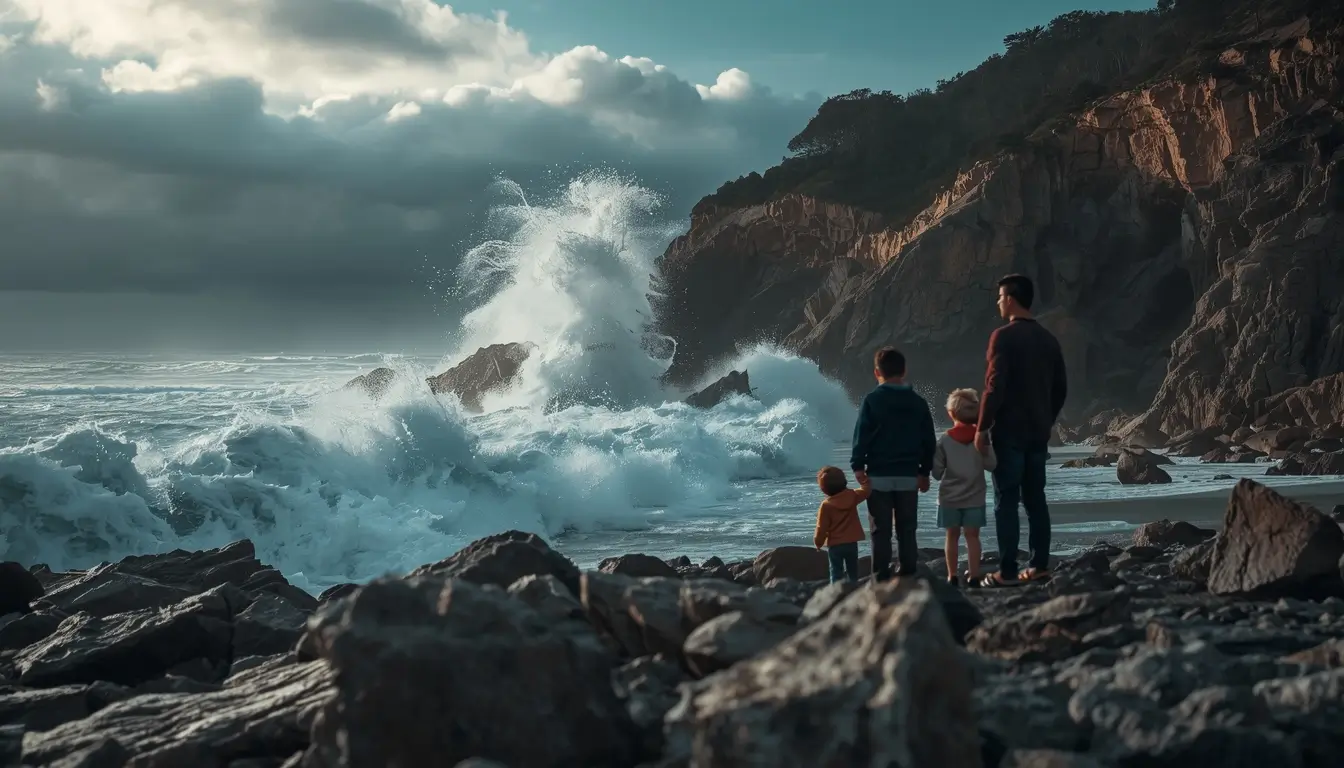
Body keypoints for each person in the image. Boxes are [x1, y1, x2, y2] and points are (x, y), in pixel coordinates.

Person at [975, 274, 1068, 588]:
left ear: (1011, 298)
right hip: (1037, 434)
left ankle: (1008, 571)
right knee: (1035, 501)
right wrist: (1046, 420)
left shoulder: (1003, 337)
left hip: (1009, 435)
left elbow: (994, 387)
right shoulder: (1048, 340)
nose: (998, 301)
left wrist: (982, 427)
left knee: (1006, 501)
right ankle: (1039, 565)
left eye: (1001, 296)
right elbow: (1061, 389)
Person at [851, 346, 936, 580]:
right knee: (907, 529)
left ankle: (880, 577)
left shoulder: (872, 400)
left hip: (878, 475)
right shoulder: (918, 402)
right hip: (908, 475)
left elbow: (862, 435)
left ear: (877, 372)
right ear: (904, 370)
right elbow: (929, 440)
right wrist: (924, 471)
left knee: (880, 531)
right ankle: (908, 573)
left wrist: (857, 466)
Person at [932, 388, 997, 587]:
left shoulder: (944, 440)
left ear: (950, 413)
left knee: (951, 536)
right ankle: (974, 575)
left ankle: (952, 575)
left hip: (949, 498)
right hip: (975, 497)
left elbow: (936, 473)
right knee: (972, 537)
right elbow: (992, 465)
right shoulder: (981, 439)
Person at [813, 466, 871, 583]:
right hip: (851, 542)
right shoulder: (852, 496)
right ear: (844, 481)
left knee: (836, 571)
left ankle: (836, 593)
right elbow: (867, 490)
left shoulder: (826, 505)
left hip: (835, 545)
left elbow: (821, 528)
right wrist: (864, 477)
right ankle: (854, 588)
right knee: (853, 569)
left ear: (824, 489)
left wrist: (818, 543)